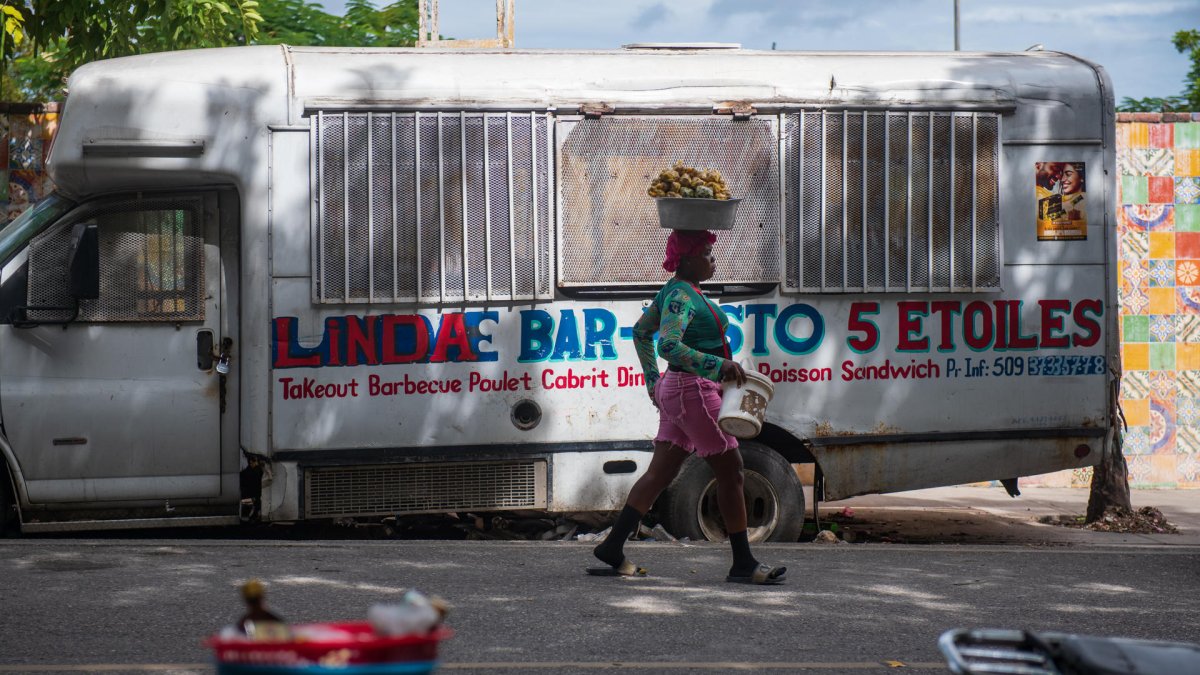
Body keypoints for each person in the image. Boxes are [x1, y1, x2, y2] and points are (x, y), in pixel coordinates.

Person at [586, 228, 787, 585]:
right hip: (692, 389)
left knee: (660, 474)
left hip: (677, 390)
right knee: (732, 470)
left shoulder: (678, 291)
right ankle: (743, 563)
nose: (713, 260)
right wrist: (717, 365)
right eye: (708, 253)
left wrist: (653, 382)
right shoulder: (680, 295)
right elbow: (668, 346)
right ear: (687, 259)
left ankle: (612, 546)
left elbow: (640, 332)